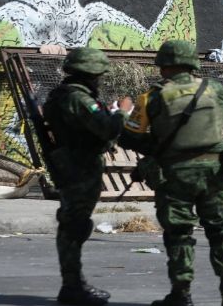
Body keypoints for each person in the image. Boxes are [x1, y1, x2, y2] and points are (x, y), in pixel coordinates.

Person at [119, 40, 223, 306]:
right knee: (220, 232)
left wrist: (160, 145)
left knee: (179, 235)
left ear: (165, 66)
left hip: (175, 174)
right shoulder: (215, 89)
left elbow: (130, 137)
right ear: (192, 64)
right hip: (214, 173)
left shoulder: (152, 97)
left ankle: (182, 294)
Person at [43, 47, 133, 305]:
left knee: (75, 225)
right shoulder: (78, 99)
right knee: (75, 226)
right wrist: (122, 111)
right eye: (98, 75)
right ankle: (72, 287)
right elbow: (107, 129)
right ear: (90, 74)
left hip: (74, 165)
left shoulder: (66, 95)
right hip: (79, 167)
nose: (100, 80)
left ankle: (73, 283)